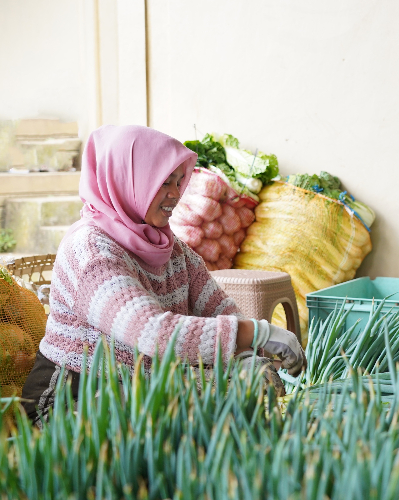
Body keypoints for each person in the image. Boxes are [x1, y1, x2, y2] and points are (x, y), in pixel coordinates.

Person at [21, 125, 305, 425]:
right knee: (183, 422)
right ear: (128, 180)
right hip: (73, 399)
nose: (175, 194)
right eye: (163, 183)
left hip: (137, 387)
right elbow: (154, 333)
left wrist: (245, 356)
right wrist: (257, 332)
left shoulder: (170, 249)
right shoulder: (90, 251)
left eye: (179, 182)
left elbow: (217, 306)